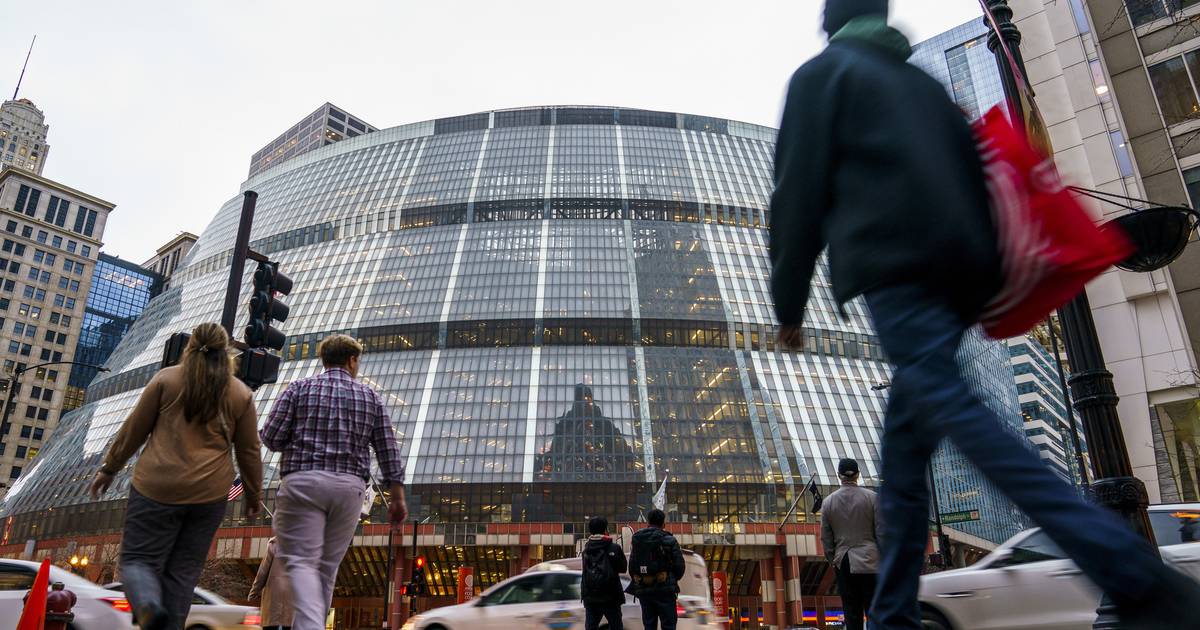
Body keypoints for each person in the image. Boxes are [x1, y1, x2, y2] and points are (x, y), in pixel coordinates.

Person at [768, 1, 1200, 628]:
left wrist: (789, 303)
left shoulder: (822, 77)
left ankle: (1131, 574)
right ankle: (894, 614)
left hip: (899, 270)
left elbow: (797, 195)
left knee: (964, 419)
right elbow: (980, 171)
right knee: (906, 458)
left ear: (831, 21)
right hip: (963, 276)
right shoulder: (919, 82)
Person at [90, 323, 262, 630]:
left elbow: (133, 431)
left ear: (190, 347)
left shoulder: (166, 380)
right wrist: (253, 494)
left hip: (156, 487)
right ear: (226, 353)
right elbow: (249, 450)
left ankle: (146, 607)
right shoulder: (240, 393)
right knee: (183, 574)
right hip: (208, 495)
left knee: (138, 561)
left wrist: (109, 468)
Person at [260, 334, 408, 630]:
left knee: (300, 562)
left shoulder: (298, 389)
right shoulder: (370, 397)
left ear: (324, 360)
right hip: (348, 489)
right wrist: (397, 497)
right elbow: (388, 450)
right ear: (352, 361)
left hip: (302, 483)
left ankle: (312, 624)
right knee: (327, 569)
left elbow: (271, 437)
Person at [820, 459, 880, 630]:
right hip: (871, 560)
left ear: (838, 476)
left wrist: (833, 560)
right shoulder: (872, 498)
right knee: (874, 611)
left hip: (844, 561)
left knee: (851, 612)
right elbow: (881, 531)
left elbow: (826, 538)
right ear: (858, 475)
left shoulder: (828, 503)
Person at [628, 509, 685, 630]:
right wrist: (670, 578)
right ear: (663, 524)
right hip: (665, 590)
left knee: (649, 625)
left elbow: (632, 567)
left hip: (644, 590)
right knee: (669, 625)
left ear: (647, 523)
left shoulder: (637, 539)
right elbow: (680, 567)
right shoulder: (669, 540)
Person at [581, 516, 628, 630]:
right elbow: (623, 568)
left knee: (591, 626)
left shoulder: (586, 549)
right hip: (611, 596)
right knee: (616, 626)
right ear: (605, 529)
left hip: (591, 596)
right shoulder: (614, 548)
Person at [248, 537, 293, 630]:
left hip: (274, 595)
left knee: (270, 624)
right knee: (290, 624)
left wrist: (253, 593)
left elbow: (263, 571)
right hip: (293, 596)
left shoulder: (274, 543)